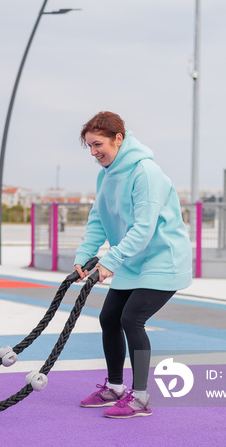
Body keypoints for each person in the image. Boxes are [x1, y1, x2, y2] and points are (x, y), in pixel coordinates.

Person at [73, 111, 192, 419]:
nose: (94, 152)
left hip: (162, 258)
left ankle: (140, 398)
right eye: (89, 146)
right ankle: (114, 387)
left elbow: (144, 228)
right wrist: (83, 259)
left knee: (131, 319)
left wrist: (110, 261)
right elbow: (98, 220)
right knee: (109, 318)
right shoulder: (106, 174)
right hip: (133, 259)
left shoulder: (145, 172)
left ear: (119, 139)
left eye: (98, 144)